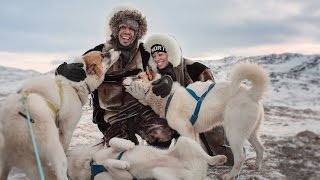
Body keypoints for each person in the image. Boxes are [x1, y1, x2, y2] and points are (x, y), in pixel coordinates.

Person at [56, 5, 178, 148]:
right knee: (124, 151)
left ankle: (155, 164)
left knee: (163, 134)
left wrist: (167, 79)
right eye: (123, 27)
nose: (127, 31)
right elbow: (76, 68)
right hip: (111, 117)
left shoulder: (145, 53)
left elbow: (166, 69)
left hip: (141, 110)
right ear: (116, 29)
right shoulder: (100, 53)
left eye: (132, 29)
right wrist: (63, 69)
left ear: (138, 33)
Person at [141, 33, 234, 164]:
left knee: (227, 158)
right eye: (154, 56)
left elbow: (213, 97)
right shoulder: (153, 74)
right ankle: (159, 156)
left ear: (170, 53)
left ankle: (218, 152)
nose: (157, 59)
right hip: (169, 120)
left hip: (195, 117)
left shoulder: (193, 68)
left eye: (161, 54)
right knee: (159, 154)